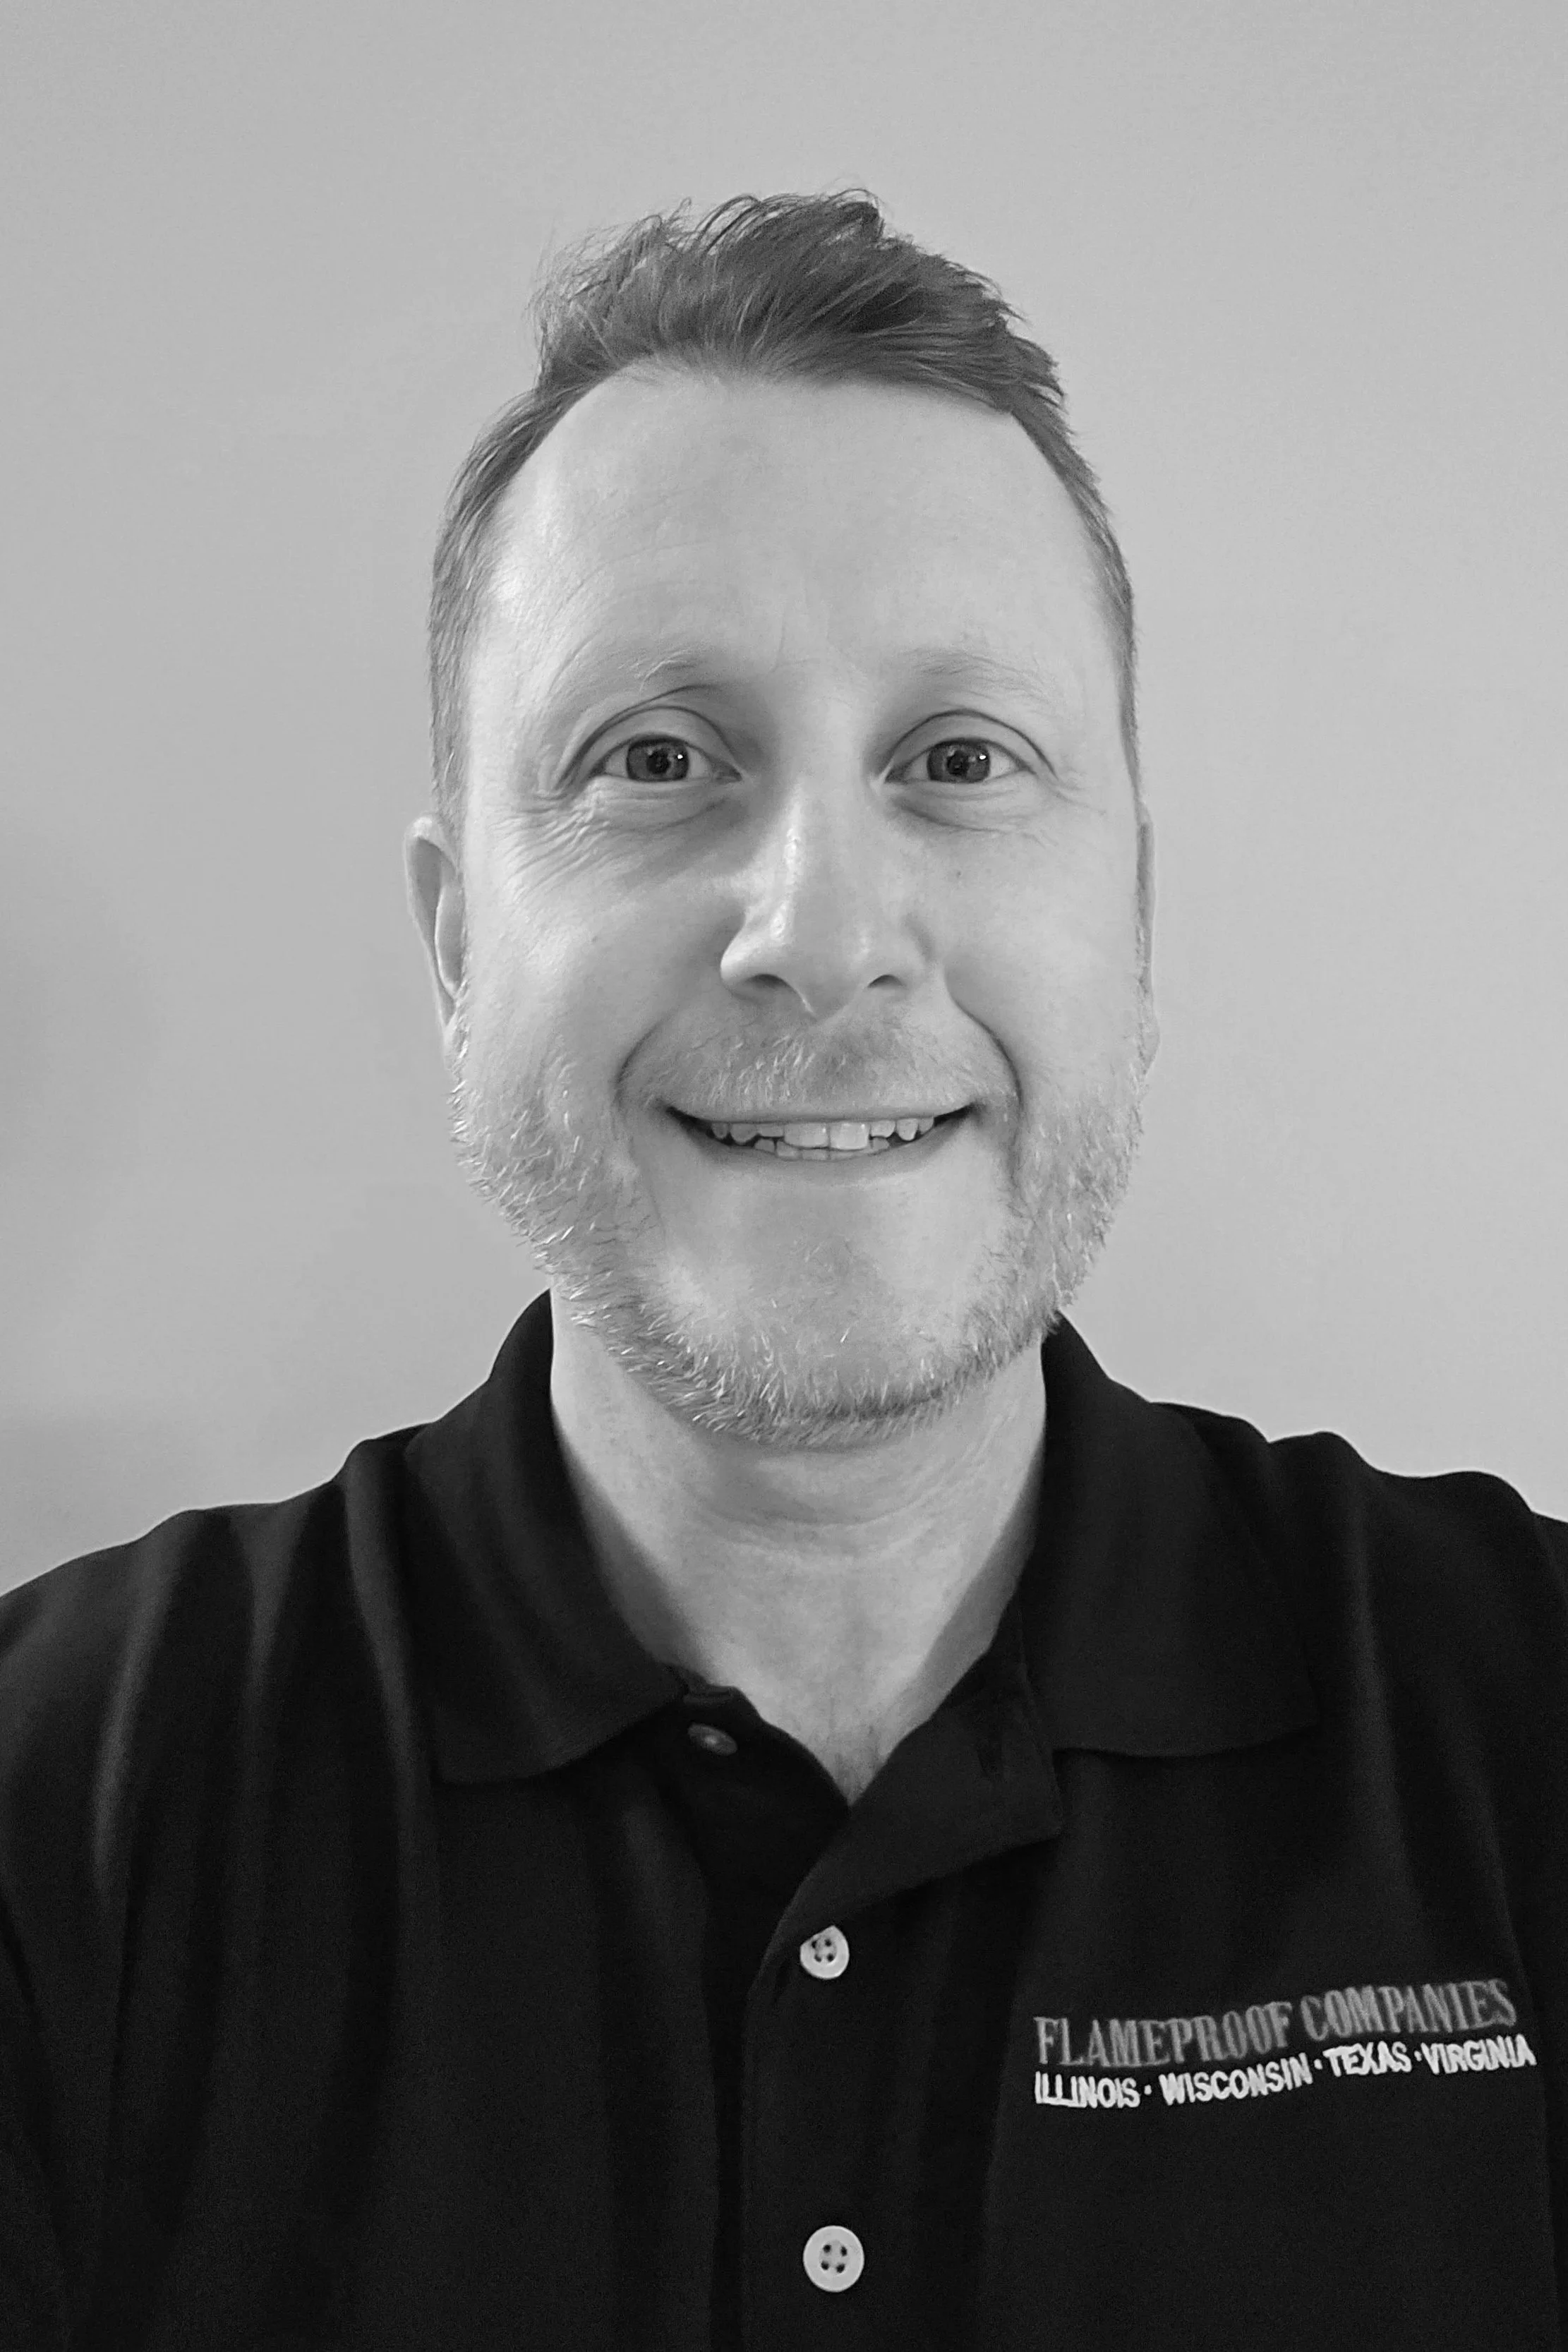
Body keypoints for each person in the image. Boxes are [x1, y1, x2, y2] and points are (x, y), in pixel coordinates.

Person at [1, 188, 1563, 2352]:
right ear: (460, 945)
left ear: (1134, 914)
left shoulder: (1524, 1725)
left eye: (956, 761)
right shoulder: (54, 1808)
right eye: (654, 760)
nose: (822, 931)